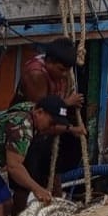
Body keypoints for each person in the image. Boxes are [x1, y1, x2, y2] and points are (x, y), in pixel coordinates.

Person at [18, 39, 86, 200]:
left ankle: (55, 204)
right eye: (61, 70)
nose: (64, 75)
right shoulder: (36, 75)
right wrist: (67, 103)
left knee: (53, 173)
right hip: (29, 132)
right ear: (49, 62)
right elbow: (42, 115)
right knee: (25, 185)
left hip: (47, 131)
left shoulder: (60, 73)